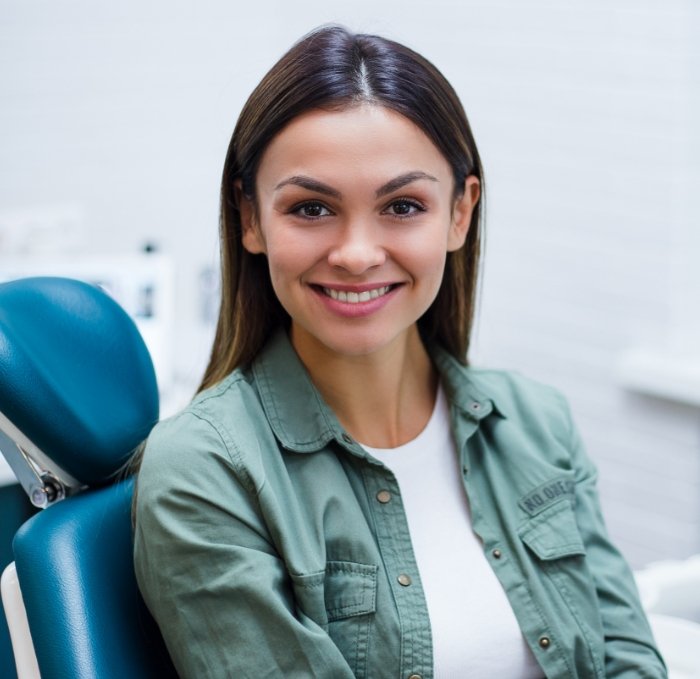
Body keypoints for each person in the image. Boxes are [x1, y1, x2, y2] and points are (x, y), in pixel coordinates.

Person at [132, 25, 667, 678]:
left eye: (403, 205)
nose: (357, 253)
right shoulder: (204, 469)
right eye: (310, 208)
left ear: (460, 213)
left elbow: (630, 661)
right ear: (250, 218)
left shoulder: (536, 421)